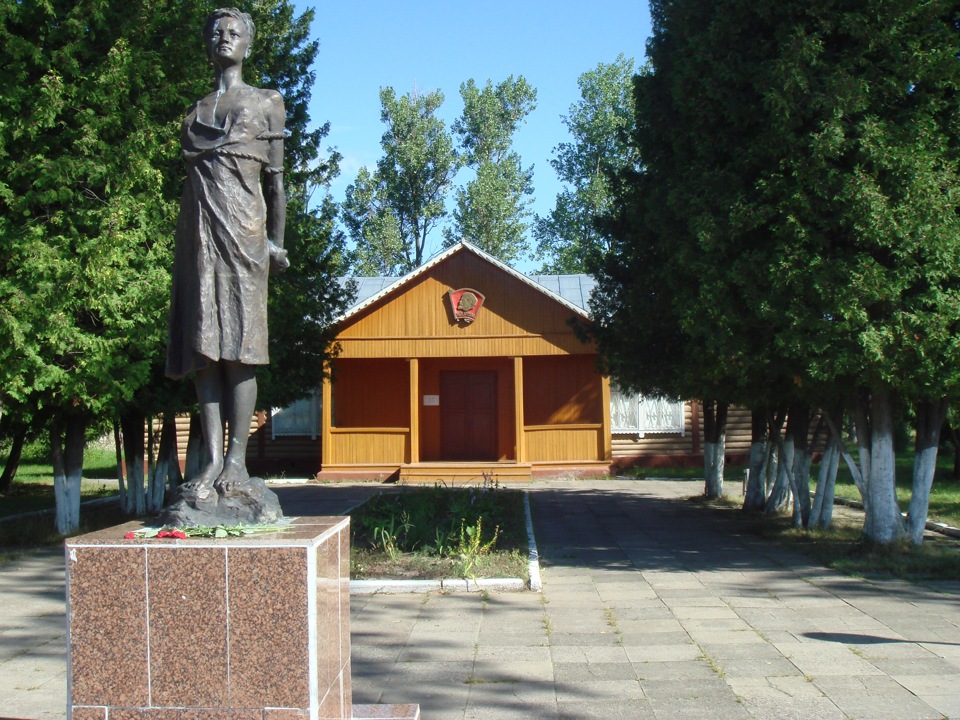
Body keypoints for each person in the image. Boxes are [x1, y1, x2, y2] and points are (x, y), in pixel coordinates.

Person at [166, 7, 288, 500]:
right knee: (205, 348)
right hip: (198, 237)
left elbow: (277, 183)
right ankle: (212, 460)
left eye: (234, 33)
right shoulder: (193, 112)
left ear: (247, 45)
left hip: (245, 236)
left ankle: (236, 459)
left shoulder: (267, 101)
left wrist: (278, 242)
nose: (224, 38)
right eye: (216, 32)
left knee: (242, 347)